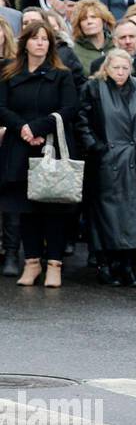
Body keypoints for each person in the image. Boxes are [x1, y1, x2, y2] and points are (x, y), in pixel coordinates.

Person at [0, 21, 80, 287]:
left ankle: (54, 264)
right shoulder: (9, 72)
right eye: (35, 39)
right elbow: (2, 107)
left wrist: (36, 127)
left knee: (52, 207)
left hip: (51, 145)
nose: (41, 43)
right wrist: (21, 128)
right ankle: (32, 263)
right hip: (19, 146)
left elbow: (70, 108)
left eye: (45, 39)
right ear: (25, 43)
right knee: (25, 209)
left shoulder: (61, 74)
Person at [76, 48, 136, 287]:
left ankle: (128, 264)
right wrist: (96, 147)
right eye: (116, 68)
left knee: (132, 214)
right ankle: (106, 263)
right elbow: (82, 121)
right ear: (106, 68)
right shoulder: (92, 89)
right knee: (105, 213)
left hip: (132, 159)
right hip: (104, 160)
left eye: (125, 68)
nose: (120, 73)